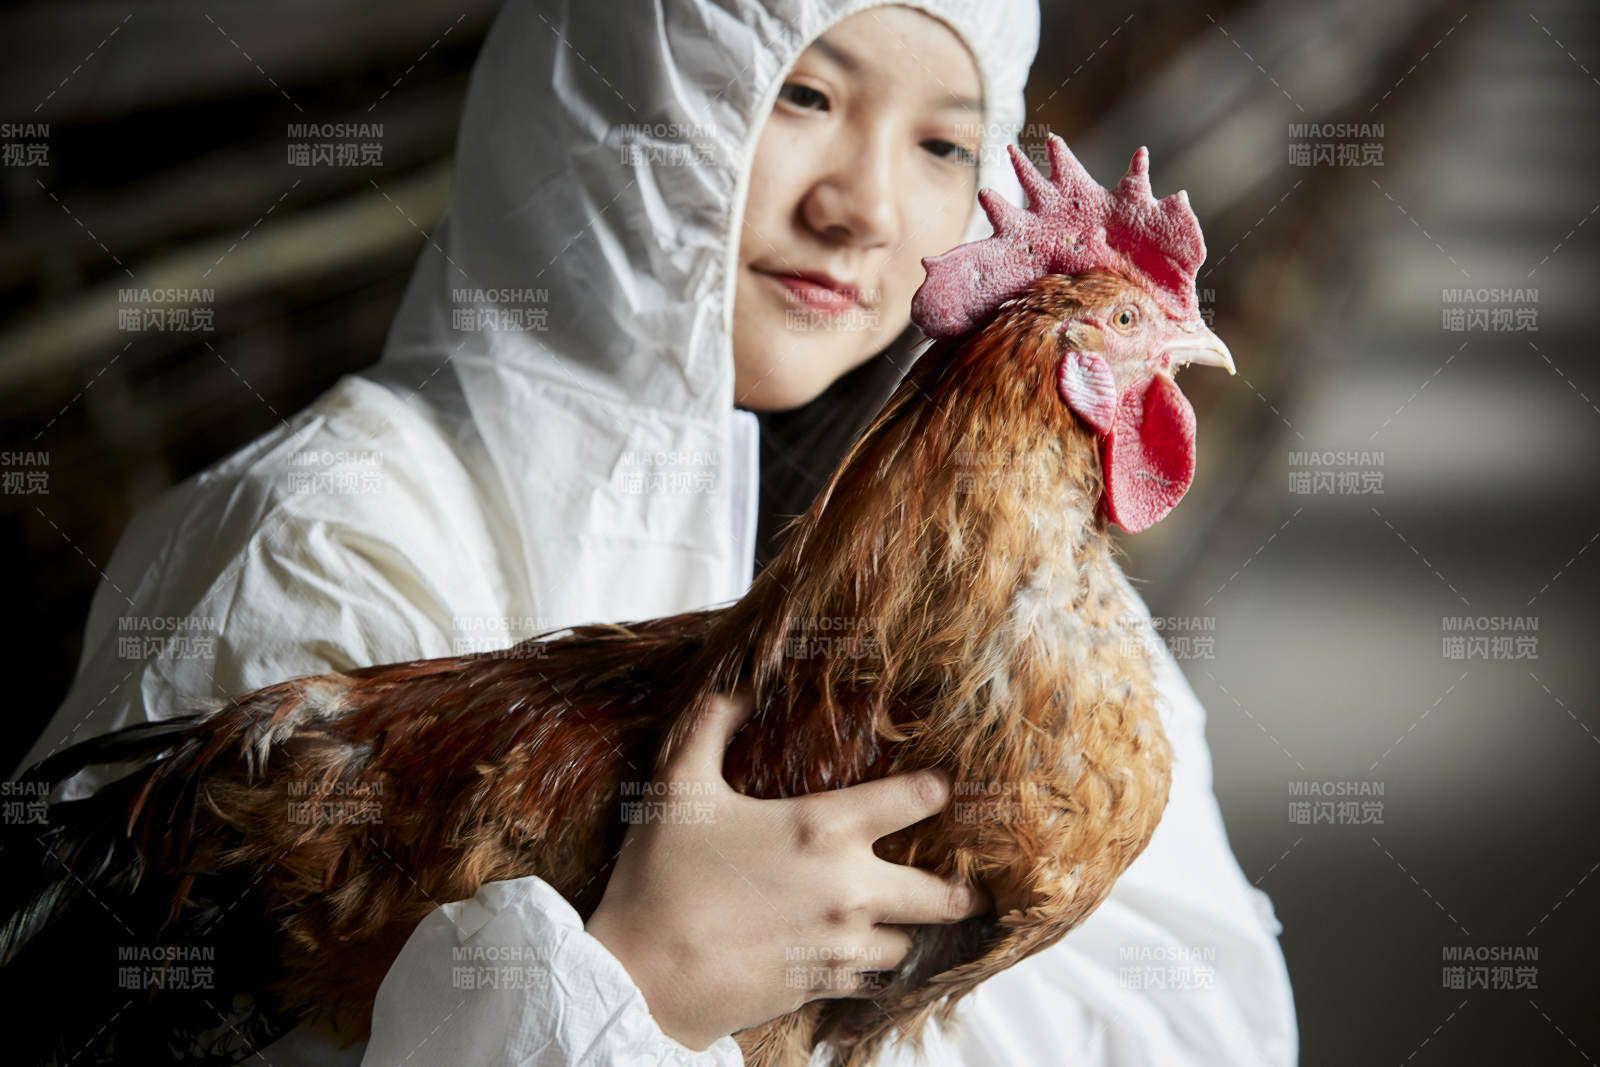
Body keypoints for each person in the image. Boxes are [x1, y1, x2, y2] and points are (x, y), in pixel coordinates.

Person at [14, 1, 1299, 1064]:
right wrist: (639, 979)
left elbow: (1207, 1010)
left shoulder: (1002, 577)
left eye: (943, 144)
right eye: (805, 96)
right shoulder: (311, 543)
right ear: (618, 95)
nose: (862, 205)